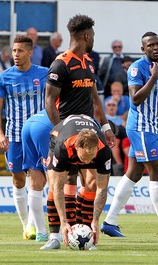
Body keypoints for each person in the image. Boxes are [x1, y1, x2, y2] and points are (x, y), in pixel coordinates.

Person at [101, 31, 158, 238]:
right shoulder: (137, 68)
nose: (155, 48)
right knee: (157, 172)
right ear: (143, 49)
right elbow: (136, 99)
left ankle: (110, 221)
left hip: (151, 127)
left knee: (134, 174)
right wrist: (154, 78)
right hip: (141, 127)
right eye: (151, 45)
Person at [44, 14, 115, 250]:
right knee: (60, 182)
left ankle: (84, 230)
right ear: (86, 35)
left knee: (93, 182)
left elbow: (95, 100)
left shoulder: (88, 63)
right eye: (93, 35)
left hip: (90, 133)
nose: (94, 39)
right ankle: (56, 236)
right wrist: (59, 133)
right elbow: (48, 102)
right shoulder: (60, 64)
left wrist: (105, 127)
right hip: (65, 135)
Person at [0, 35, 48, 240]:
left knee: (37, 179)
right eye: (14, 51)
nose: (16, 54)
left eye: (20, 51)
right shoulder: (4, 77)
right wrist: (0, 134)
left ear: (30, 53)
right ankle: (26, 225)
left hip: (37, 135)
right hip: (14, 136)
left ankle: (36, 226)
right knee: (18, 179)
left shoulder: (44, 74)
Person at [45, 114, 112, 249]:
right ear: (77, 147)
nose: (88, 160)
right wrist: (64, 222)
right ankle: (54, 238)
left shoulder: (103, 150)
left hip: (84, 131)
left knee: (92, 184)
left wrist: (96, 220)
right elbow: (58, 189)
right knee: (54, 185)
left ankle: (87, 233)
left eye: (91, 155)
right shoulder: (62, 147)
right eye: (85, 155)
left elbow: (102, 189)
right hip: (59, 136)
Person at [21, 109, 52, 242]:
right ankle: (61, 230)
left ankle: (41, 233)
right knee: (56, 182)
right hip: (47, 127)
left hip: (30, 123)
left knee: (35, 184)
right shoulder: (83, 105)